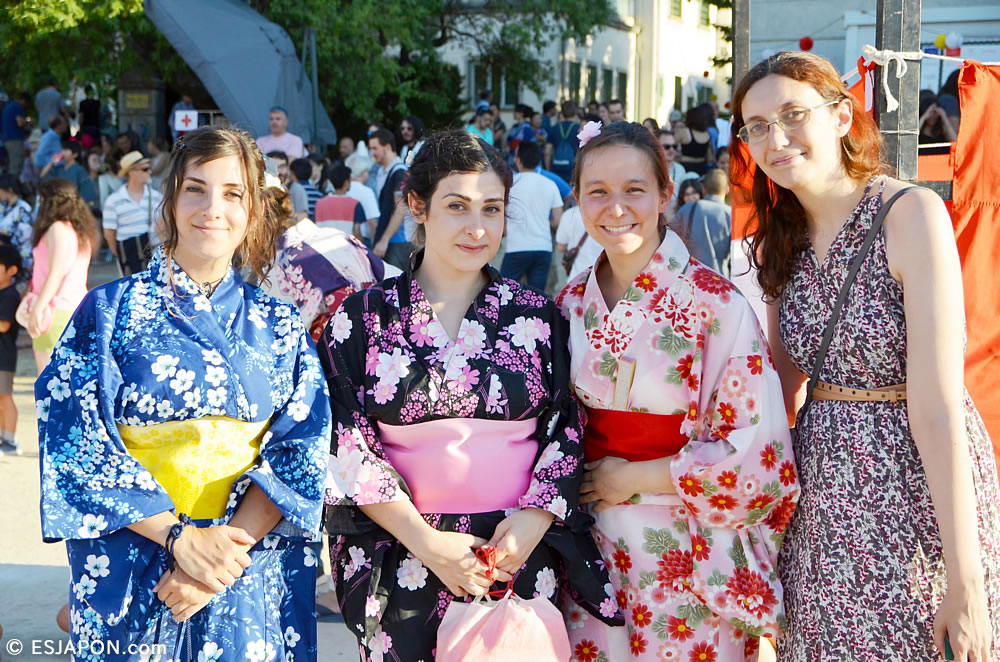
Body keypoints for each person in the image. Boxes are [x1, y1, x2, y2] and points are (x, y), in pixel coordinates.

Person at [732, 50, 1000, 661]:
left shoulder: (909, 214)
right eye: (758, 127)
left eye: (793, 115)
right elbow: (781, 388)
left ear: (841, 115)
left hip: (914, 490)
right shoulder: (780, 235)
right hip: (824, 501)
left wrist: (968, 580)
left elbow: (937, 407)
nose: (776, 138)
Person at [318, 128, 621, 661]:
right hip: (406, 548)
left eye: (493, 208)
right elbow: (347, 439)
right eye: (457, 206)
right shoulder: (361, 317)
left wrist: (535, 520)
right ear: (418, 205)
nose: (477, 228)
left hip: (514, 551)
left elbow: (565, 429)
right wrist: (428, 543)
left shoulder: (538, 316)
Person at [37, 125, 332, 661]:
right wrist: (180, 540)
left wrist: (218, 559)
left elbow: (302, 448)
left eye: (233, 193)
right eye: (196, 188)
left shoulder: (281, 324)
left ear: (253, 211)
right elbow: (76, 441)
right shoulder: (107, 313)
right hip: (136, 553)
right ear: (171, 200)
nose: (212, 208)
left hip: (244, 563)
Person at [556, 120, 799, 661]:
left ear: (666, 194)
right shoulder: (570, 304)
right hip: (590, 546)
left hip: (689, 544)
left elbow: (759, 451)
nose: (615, 207)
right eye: (597, 192)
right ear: (577, 199)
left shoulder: (717, 304)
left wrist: (634, 475)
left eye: (634, 190)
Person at [261, 177, 399, 340]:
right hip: (383, 329)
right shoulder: (336, 236)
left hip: (334, 352)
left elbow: (279, 337)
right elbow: (388, 275)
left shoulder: (275, 270)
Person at [26, 177, 98, 374]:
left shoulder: (57, 228)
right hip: (74, 308)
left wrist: (38, 308)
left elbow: (55, 273)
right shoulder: (77, 230)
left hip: (54, 311)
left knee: (49, 381)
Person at [501, 141, 563, 292]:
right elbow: (557, 221)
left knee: (504, 294)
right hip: (543, 248)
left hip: (516, 247)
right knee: (536, 297)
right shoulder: (550, 184)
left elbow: (499, 215)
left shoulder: (509, 184)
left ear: (518, 160)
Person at [102, 150, 163, 275]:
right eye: (145, 169)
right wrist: (122, 256)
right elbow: (109, 235)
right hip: (129, 261)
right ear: (132, 172)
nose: (150, 172)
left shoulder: (157, 197)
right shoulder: (113, 201)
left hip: (156, 259)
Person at [673, 168, 731, 276]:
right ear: (727, 190)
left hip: (690, 276)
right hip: (720, 279)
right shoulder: (730, 215)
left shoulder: (689, 207)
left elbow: (670, 235)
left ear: (704, 189)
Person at [368, 128, 409, 268]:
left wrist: (384, 239)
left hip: (397, 242)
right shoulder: (382, 171)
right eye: (370, 149)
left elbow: (402, 208)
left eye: (375, 148)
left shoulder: (400, 172)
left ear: (387, 147)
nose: (372, 153)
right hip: (390, 242)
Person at [0, 243, 21, 455]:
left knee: (5, 398)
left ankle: (11, 440)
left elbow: (3, 324)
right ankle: (3, 437)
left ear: (11, 270)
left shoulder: (10, 295)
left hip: (4, 356)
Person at [41, 139, 99, 208]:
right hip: (57, 205)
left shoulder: (80, 170)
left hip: (73, 206)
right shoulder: (59, 168)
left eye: (65, 150)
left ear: (75, 154)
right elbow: (42, 175)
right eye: (62, 150)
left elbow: (87, 193)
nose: (62, 153)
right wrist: (51, 162)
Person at [314, 165, 368, 238]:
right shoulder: (355, 204)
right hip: (346, 248)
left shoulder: (319, 203)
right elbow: (357, 232)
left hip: (323, 247)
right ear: (346, 182)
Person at [0, 174, 34, 287]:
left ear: (9, 190)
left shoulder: (23, 208)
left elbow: (26, 237)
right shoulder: (3, 206)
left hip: (18, 257)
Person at [554, 204, 602, 280]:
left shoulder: (570, 214)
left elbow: (561, 247)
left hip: (578, 277)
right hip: (603, 277)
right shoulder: (609, 214)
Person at [546, 101, 581, 184]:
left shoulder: (554, 128)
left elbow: (547, 151)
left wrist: (548, 170)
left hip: (556, 167)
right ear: (575, 112)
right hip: (572, 169)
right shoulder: (579, 129)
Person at [677, 105, 715, 176]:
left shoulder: (685, 132)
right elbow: (710, 157)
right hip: (702, 168)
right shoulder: (707, 134)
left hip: (685, 167)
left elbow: (673, 144)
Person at [919, 90, 958, 156]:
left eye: (935, 112)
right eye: (930, 112)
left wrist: (944, 116)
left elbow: (955, 141)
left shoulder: (942, 135)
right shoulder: (919, 136)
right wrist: (924, 117)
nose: (932, 116)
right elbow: (911, 138)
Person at [2, 92, 29, 178]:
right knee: (16, 166)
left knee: (11, 165)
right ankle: (12, 187)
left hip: (7, 139)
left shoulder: (9, 106)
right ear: (24, 100)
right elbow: (20, 123)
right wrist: (28, 123)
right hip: (15, 140)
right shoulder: (17, 107)